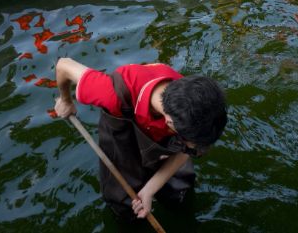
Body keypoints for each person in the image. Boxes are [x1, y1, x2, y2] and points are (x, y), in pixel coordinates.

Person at [54, 58, 227, 220]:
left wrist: (149, 190)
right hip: (123, 122)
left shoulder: (194, 105)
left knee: (179, 189)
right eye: (190, 145)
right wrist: (66, 100)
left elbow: (185, 150)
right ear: (169, 122)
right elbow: (64, 65)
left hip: (164, 129)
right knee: (125, 199)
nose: (191, 149)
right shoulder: (110, 93)